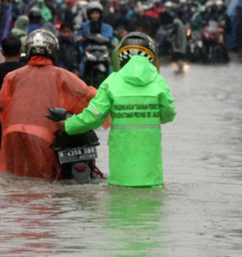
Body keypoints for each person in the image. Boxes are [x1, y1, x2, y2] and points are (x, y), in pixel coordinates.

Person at [63, 32, 177, 187]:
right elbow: (169, 114)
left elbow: (94, 117)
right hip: (151, 174)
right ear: (150, 56)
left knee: (120, 207)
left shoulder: (112, 82)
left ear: (121, 55)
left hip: (121, 172)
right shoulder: (158, 81)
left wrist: (68, 125)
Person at [0, 29, 98, 179]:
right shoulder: (62, 74)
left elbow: (0, 106)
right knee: (45, 181)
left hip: (13, 133)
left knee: (15, 179)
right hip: (44, 134)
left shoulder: (12, 76)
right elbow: (88, 96)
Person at [0, 36, 26, 150]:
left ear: (2, 52)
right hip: (24, 120)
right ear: (20, 52)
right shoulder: (28, 71)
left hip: (2, 121)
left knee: (1, 157)